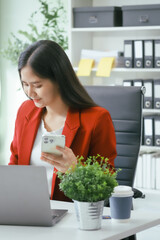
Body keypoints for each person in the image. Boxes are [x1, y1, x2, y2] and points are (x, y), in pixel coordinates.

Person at [9, 40, 117, 202]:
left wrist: (75, 170)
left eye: (37, 85)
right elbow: (15, 165)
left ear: (58, 79)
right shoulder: (26, 111)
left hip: (71, 214)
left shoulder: (96, 119)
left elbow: (105, 185)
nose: (30, 92)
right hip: (26, 208)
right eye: (25, 84)